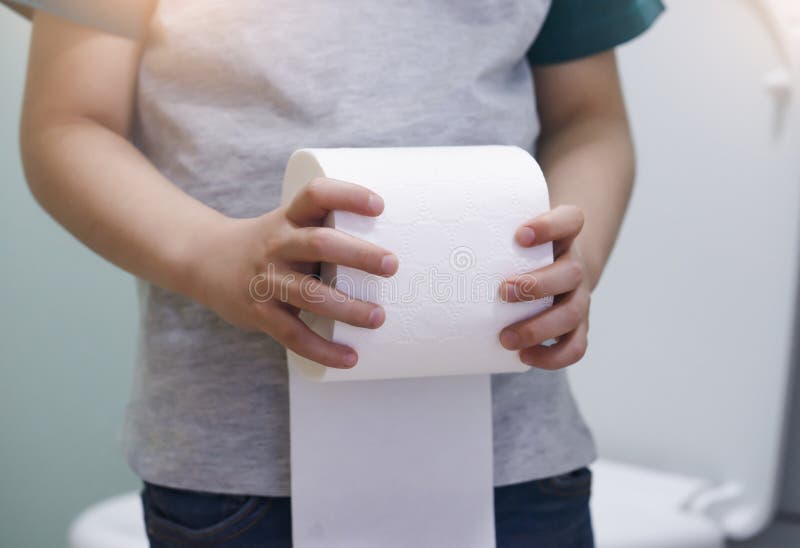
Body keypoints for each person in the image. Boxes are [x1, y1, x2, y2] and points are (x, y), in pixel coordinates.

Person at [19, 1, 663, 546]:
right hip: (242, 466)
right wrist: (209, 256)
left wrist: (580, 259)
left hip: (515, 455)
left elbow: (589, 119)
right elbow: (72, 123)